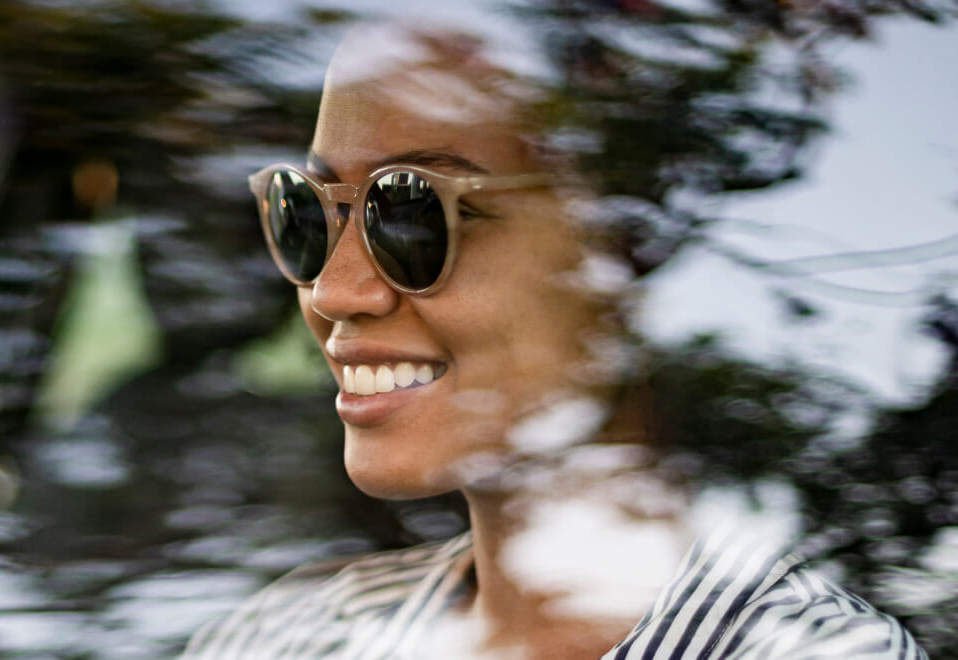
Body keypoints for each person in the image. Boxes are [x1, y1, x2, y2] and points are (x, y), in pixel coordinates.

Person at [182, 23, 927, 660]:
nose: (335, 291)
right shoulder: (284, 637)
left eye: (411, 210)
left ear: (622, 245)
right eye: (304, 214)